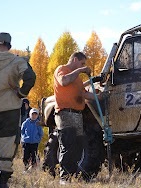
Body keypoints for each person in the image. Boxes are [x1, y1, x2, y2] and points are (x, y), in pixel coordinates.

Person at [0, 32, 36, 188]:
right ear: (9, 45)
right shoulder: (17, 61)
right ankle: (1, 182)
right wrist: (21, 93)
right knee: (7, 146)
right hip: (10, 109)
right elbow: (30, 77)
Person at [53, 52, 101, 185]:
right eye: (82, 63)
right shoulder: (62, 69)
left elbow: (84, 94)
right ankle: (64, 178)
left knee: (78, 146)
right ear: (74, 59)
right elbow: (63, 81)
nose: (83, 66)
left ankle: (72, 176)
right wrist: (80, 70)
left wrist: (102, 96)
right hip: (65, 114)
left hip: (77, 114)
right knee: (68, 144)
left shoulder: (77, 79)